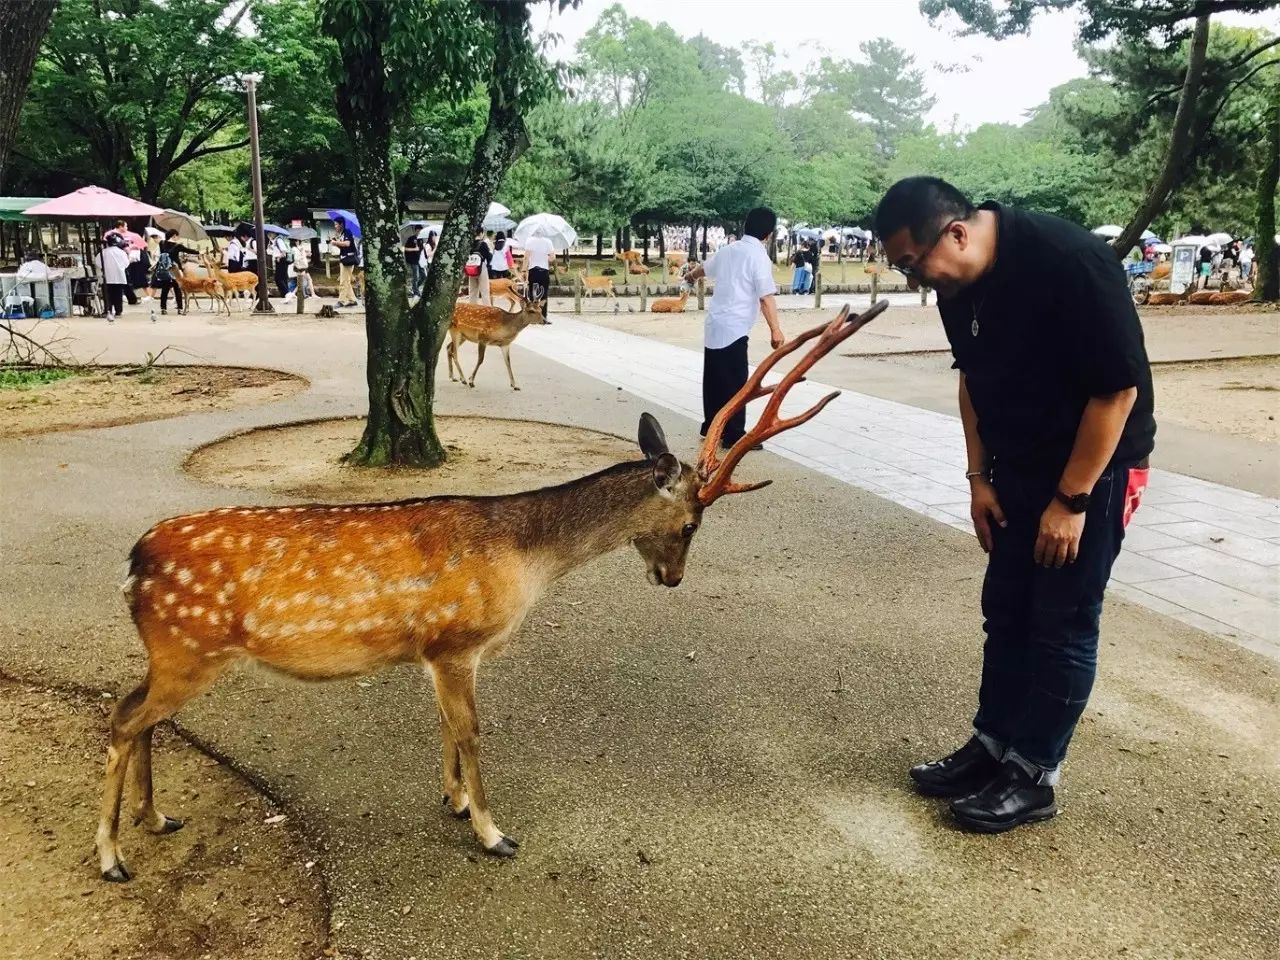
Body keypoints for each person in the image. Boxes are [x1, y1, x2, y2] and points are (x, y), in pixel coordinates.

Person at [876, 176, 1155, 833]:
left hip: (1094, 469)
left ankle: (1034, 774)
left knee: (1060, 620)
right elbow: (972, 379)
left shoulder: (1070, 262)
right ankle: (994, 745)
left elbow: (1117, 394)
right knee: (1007, 610)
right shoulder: (957, 285)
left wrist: (1072, 499)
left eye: (913, 264)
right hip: (1016, 469)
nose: (918, 281)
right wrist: (979, 477)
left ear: (957, 232)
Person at [683, 207, 783, 450]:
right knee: (737, 384)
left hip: (715, 325)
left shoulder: (728, 250)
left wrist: (690, 276)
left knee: (714, 380)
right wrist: (776, 330)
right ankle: (734, 434)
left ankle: (711, 427)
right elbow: (765, 298)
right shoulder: (758, 257)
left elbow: (703, 269)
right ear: (768, 234)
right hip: (735, 328)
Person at [153, 229, 197, 315]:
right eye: (177, 236)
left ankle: (163, 308)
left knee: (165, 289)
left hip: (165, 270)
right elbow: (189, 250)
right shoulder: (178, 246)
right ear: (174, 236)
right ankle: (180, 308)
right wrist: (199, 252)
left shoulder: (162, 243)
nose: (178, 238)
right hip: (175, 270)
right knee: (177, 289)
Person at [95, 233, 131, 321]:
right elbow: (126, 264)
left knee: (108, 295)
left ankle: (108, 310)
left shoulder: (103, 252)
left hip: (107, 277)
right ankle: (118, 311)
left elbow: (98, 263)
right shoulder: (122, 252)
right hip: (119, 276)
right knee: (118, 294)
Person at [522, 231, 554, 317]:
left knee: (533, 294)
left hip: (533, 271)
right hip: (544, 271)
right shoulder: (548, 241)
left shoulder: (529, 241)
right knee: (544, 294)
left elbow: (526, 257)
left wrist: (524, 270)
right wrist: (545, 256)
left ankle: (533, 316)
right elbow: (552, 258)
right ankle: (543, 317)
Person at [331, 218, 359, 307]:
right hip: (344, 259)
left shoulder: (347, 232)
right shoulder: (342, 233)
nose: (335, 226)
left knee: (343, 281)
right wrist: (336, 242)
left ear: (341, 224)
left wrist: (335, 242)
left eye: (336, 224)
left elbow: (347, 244)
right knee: (347, 281)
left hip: (348, 260)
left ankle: (341, 301)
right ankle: (352, 300)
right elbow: (343, 247)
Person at [467, 229, 491, 304]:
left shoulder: (469, 244)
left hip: (471, 268)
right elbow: (489, 257)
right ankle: (487, 312)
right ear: (481, 233)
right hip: (481, 268)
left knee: (472, 292)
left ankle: (472, 310)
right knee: (485, 291)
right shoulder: (483, 244)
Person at [271, 233, 292, 298]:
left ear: (274, 233)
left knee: (278, 278)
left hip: (280, 260)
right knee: (283, 278)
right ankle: (284, 294)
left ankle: (287, 293)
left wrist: (279, 257)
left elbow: (284, 251)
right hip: (280, 260)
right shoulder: (276, 240)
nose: (269, 235)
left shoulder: (278, 240)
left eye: (270, 234)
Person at [403, 229, 422, 298]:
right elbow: (406, 249)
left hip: (420, 260)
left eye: (420, 230)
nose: (419, 232)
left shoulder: (421, 239)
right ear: (415, 231)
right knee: (416, 276)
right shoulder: (411, 238)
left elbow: (421, 249)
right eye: (418, 231)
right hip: (413, 260)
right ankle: (416, 291)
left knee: (423, 276)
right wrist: (414, 249)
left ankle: (414, 288)